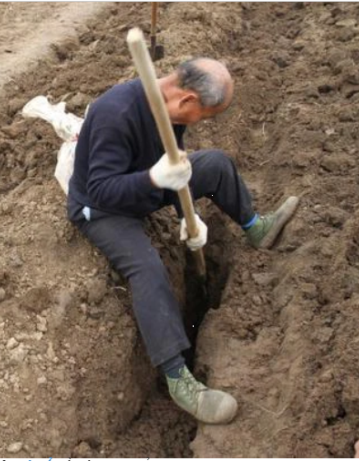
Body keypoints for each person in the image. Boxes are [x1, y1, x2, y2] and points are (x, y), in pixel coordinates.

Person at [67, 58, 299, 424]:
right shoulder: (117, 112)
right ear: (188, 99)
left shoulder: (169, 110)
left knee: (216, 165)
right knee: (148, 268)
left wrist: (185, 217)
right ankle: (178, 378)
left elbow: (172, 165)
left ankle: (256, 226)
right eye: (203, 116)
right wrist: (155, 180)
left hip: (145, 187)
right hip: (103, 209)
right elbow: (100, 189)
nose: (198, 123)